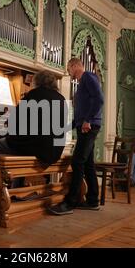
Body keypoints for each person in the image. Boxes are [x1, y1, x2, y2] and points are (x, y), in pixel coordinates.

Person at [0, 70, 67, 187]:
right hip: (55, 150)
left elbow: (14, 122)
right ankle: (15, 188)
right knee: (22, 144)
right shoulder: (61, 99)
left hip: (37, 149)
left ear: (37, 82)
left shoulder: (34, 95)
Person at [48, 58, 104, 215]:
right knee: (88, 164)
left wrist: (88, 120)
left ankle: (69, 203)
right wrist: (65, 128)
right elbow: (79, 117)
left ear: (75, 66)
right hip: (86, 126)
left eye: (68, 69)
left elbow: (99, 100)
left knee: (77, 161)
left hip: (89, 126)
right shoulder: (81, 85)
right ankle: (93, 201)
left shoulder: (87, 77)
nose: (69, 73)